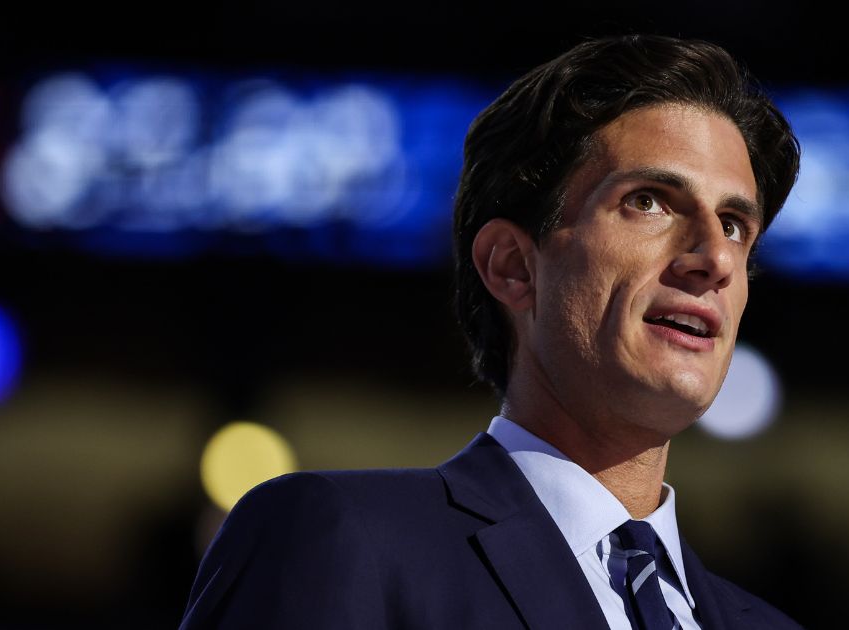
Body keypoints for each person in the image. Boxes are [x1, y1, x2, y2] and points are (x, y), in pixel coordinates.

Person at [179, 34, 802, 629]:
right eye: (650, 201)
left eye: (734, 225)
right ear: (512, 266)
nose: (716, 258)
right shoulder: (341, 542)